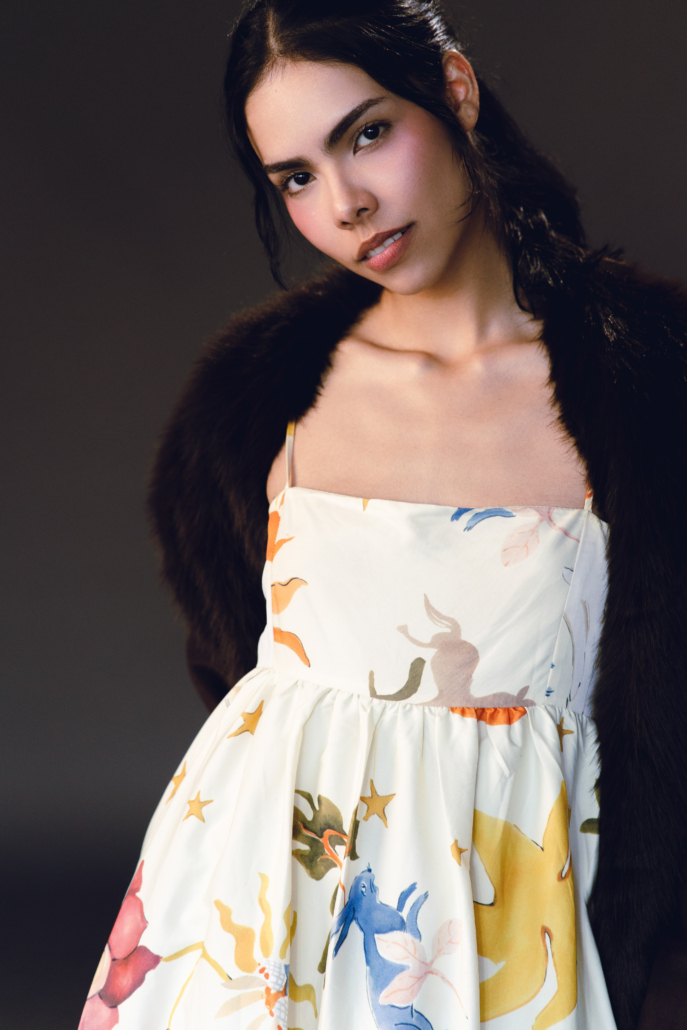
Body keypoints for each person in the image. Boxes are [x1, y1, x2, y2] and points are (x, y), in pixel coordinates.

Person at [79, 2, 687, 1028]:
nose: (347, 204)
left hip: (522, 943)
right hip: (263, 927)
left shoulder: (652, 381)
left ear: (454, 90)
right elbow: (243, 687)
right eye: (296, 179)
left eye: (366, 134)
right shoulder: (251, 404)